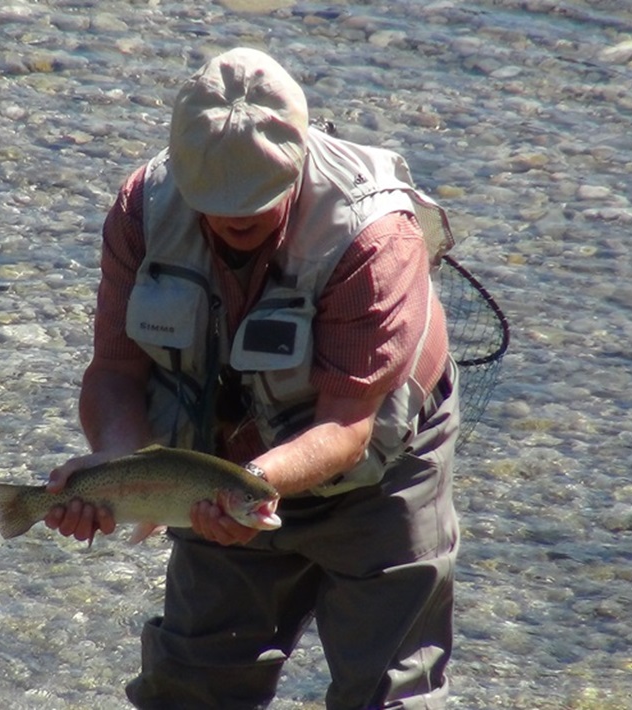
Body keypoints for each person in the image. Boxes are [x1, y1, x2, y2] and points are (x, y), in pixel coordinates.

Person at [44, 46, 461, 709]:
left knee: (388, 694)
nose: (237, 216)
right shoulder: (142, 210)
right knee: (192, 689)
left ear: (297, 163)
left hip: (380, 474)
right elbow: (116, 371)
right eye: (218, 201)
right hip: (221, 466)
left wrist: (246, 495)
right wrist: (118, 466)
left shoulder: (374, 238)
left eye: (258, 200)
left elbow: (347, 426)